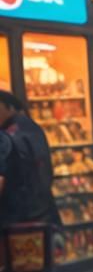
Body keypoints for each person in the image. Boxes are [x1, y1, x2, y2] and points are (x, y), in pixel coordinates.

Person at [0, 89, 58, 227]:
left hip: (14, 220)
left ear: (10, 107)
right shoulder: (34, 129)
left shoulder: (6, 136)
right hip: (43, 214)